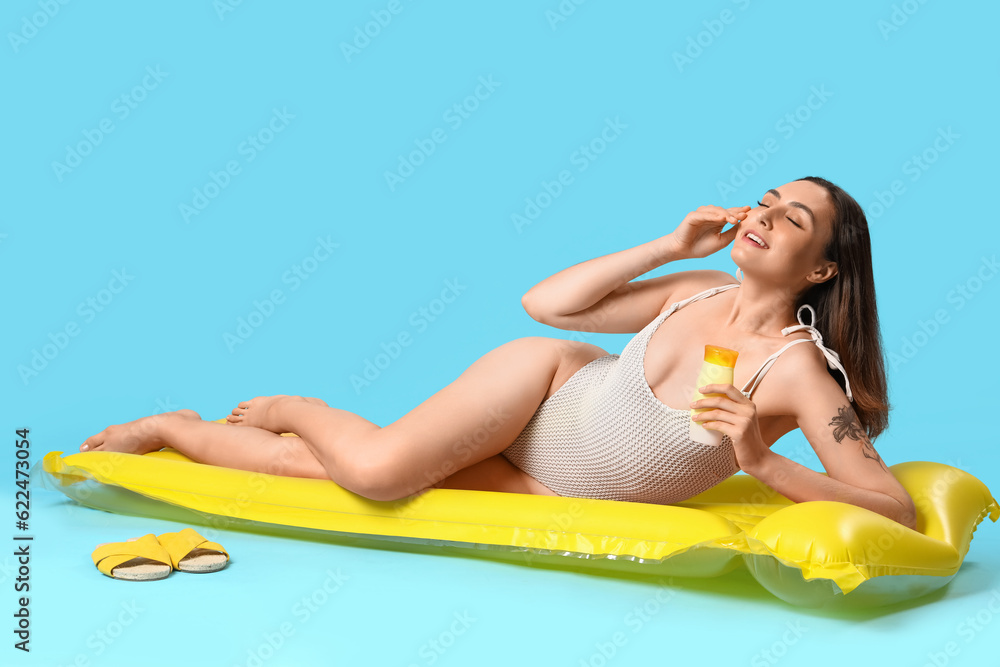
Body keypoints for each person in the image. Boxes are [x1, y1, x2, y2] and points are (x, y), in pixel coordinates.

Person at [79, 176, 918, 530]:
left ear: (824, 268)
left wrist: (758, 463)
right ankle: (303, 404)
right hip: (543, 387)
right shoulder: (691, 287)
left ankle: (165, 425)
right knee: (374, 471)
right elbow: (547, 305)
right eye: (765, 202)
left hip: (550, 480)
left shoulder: (799, 372)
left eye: (793, 220)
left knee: (319, 474)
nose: (765, 216)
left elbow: (894, 507)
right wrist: (668, 242)